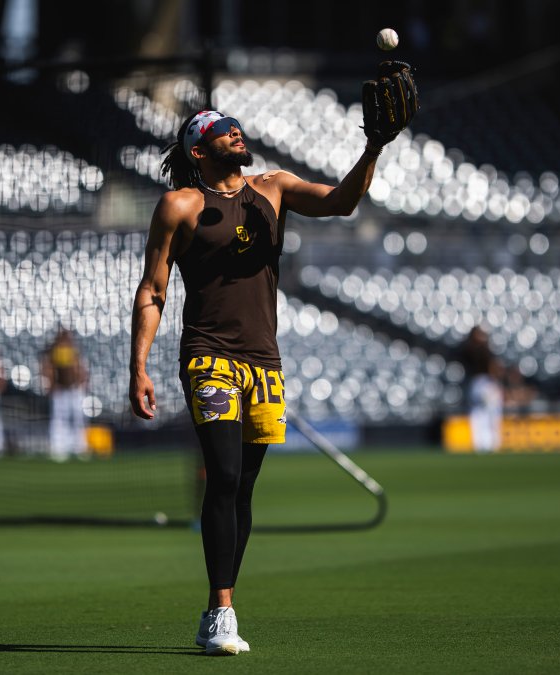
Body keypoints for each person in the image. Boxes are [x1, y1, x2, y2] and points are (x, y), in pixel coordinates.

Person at [128, 62, 418, 656]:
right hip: (209, 356)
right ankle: (220, 612)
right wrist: (140, 365)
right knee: (225, 475)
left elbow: (340, 202)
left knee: (245, 489)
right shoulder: (178, 206)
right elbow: (153, 290)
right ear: (199, 150)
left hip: (264, 362)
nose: (236, 133)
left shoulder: (274, 188)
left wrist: (374, 146)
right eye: (222, 130)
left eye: (236, 126)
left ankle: (224, 600)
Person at [42, 327, 88, 461]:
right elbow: (49, 368)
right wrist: (50, 384)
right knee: (59, 420)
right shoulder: (55, 351)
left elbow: (80, 369)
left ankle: (80, 447)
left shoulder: (74, 351)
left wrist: (82, 383)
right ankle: (59, 448)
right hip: (60, 390)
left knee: (78, 419)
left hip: (74, 390)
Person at [459, 325, 505, 453]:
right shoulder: (483, 349)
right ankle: (490, 443)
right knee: (491, 413)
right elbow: (493, 368)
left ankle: (481, 444)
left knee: (479, 413)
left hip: (475, 383)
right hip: (485, 383)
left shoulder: (468, 348)